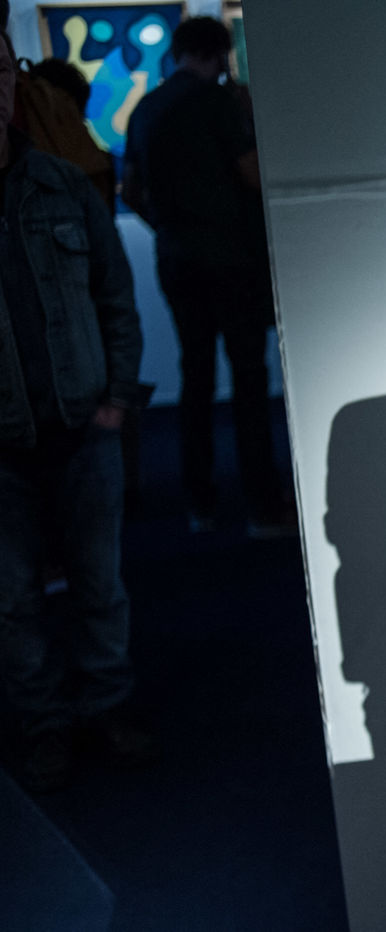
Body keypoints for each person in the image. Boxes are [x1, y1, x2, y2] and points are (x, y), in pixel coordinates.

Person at [0, 25, 152, 791]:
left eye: (0, 71)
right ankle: (45, 723)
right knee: (13, 601)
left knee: (100, 584)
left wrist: (116, 401)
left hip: (86, 425)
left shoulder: (62, 184)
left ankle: (106, 705)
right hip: (3, 447)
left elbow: (115, 299)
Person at [123, 16, 289, 536]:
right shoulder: (220, 102)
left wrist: (170, 227)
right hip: (231, 258)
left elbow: (131, 191)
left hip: (177, 259)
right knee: (248, 379)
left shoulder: (146, 108)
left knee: (195, 377)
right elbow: (252, 175)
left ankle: (200, 503)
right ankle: (263, 506)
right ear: (218, 55)